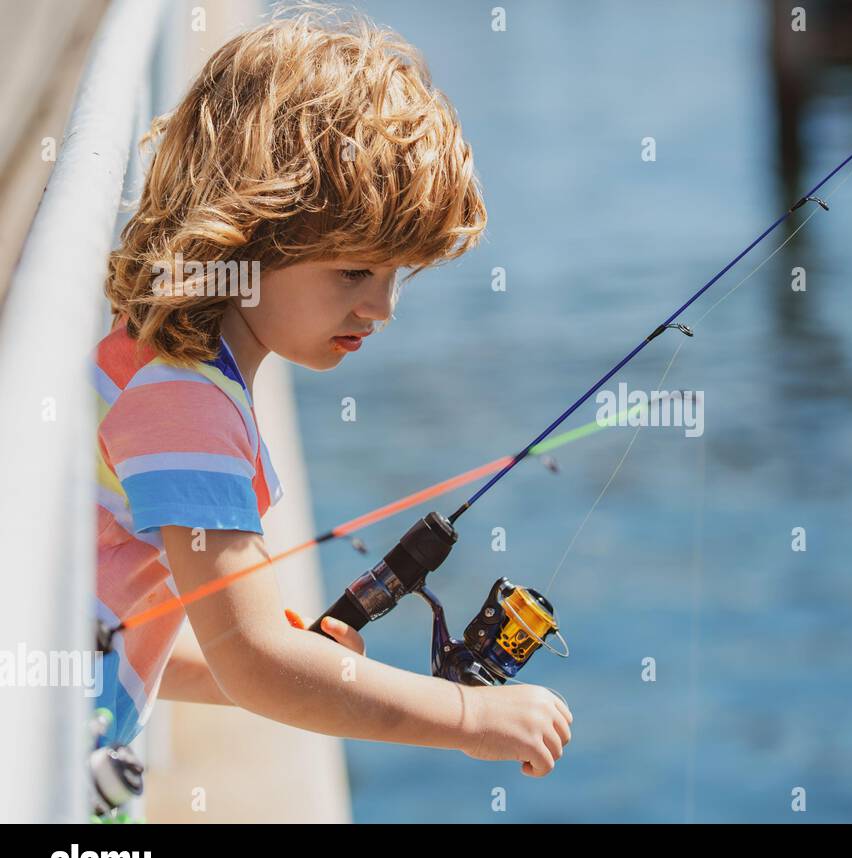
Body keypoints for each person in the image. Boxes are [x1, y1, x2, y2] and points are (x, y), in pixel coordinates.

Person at [95, 7, 571, 778]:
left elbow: (139, 633)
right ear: (248, 231)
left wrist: (270, 658)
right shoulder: (186, 405)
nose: (381, 309)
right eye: (354, 272)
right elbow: (254, 659)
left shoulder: (147, 352)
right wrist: (468, 715)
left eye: (395, 276)